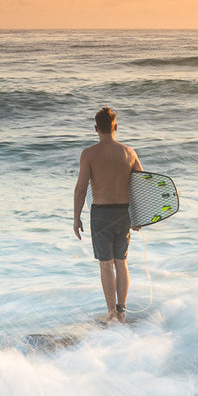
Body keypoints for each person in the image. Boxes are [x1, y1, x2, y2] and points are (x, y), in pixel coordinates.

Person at [73, 106, 142, 322]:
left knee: (106, 264)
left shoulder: (89, 154)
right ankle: (121, 312)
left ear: (96, 128)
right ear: (115, 127)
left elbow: (81, 188)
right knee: (121, 263)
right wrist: (139, 217)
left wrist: (76, 218)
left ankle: (111, 313)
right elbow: (142, 185)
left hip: (101, 214)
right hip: (123, 213)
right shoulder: (129, 152)